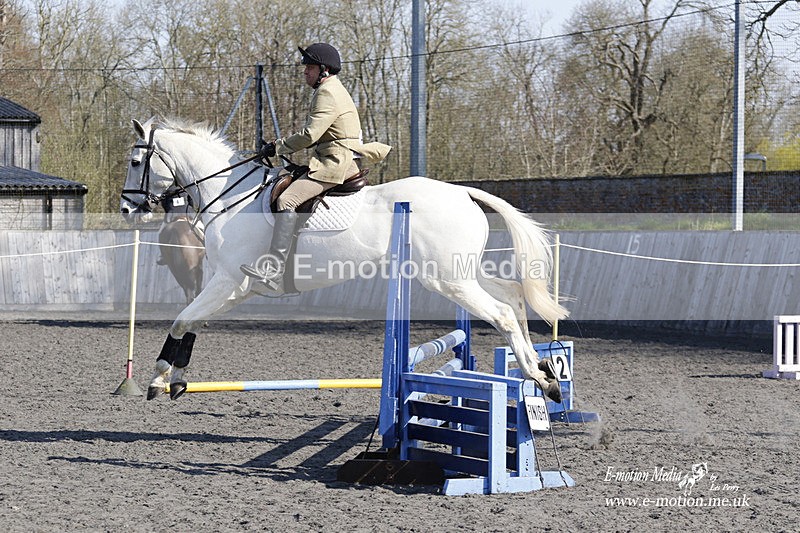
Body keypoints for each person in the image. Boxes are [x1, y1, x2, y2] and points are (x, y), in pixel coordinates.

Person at [241, 43, 391, 296]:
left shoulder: (327, 92)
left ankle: (274, 269)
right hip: (330, 158)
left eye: (309, 68)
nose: (305, 73)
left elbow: (311, 134)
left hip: (335, 164)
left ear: (323, 69)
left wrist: (278, 147)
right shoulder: (331, 89)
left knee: (287, 200)